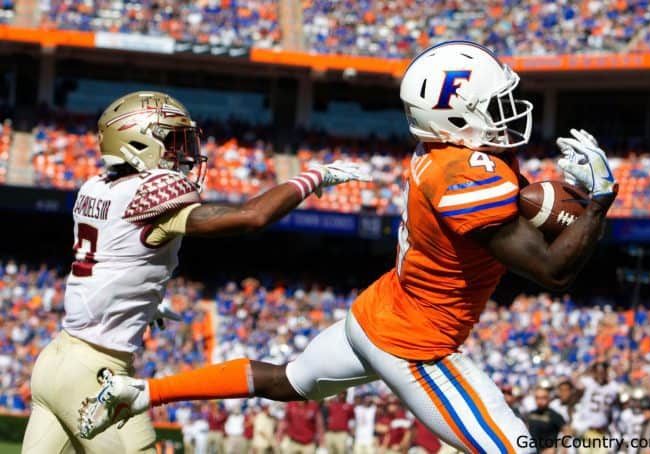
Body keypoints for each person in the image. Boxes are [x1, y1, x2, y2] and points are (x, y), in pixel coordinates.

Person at [79, 41, 619, 453]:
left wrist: (549, 201)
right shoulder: (464, 171)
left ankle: (145, 392)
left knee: (289, 380)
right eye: (494, 104)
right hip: (417, 346)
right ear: (456, 117)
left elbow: (507, 206)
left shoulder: (449, 155)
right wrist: (597, 204)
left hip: (376, 314)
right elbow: (552, 272)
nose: (507, 113)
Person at [21, 91, 369, 454]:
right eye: (172, 141)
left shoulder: (94, 187)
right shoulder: (149, 194)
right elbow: (251, 217)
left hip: (55, 360)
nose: (183, 152)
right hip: (95, 373)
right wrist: (312, 177)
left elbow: (111, 255)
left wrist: (141, 299)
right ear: (138, 141)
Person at [525, 387, 566, 453]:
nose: (540, 401)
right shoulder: (530, 414)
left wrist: (558, 447)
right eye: (537, 398)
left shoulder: (554, 415)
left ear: (549, 399)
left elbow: (568, 432)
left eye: (543, 398)